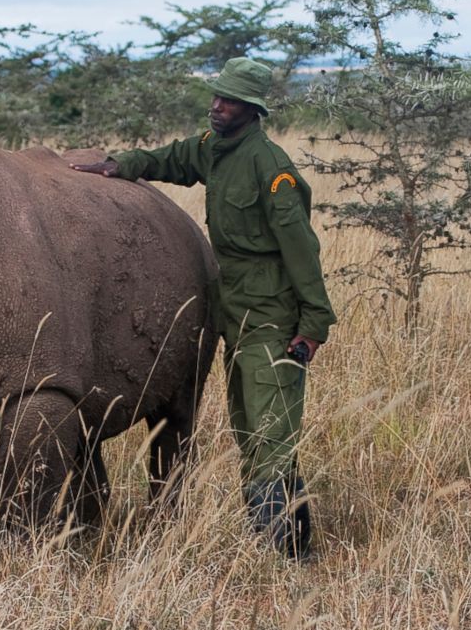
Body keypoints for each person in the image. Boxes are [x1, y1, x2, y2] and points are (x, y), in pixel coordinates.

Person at [70, 57, 336, 559]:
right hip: (231, 306)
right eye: (216, 96)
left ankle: (284, 551)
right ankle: (287, 543)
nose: (217, 106)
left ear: (252, 110)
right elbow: (171, 159)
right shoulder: (215, 149)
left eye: (230, 100)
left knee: (269, 428)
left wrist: (313, 321)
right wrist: (118, 165)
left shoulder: (271, 169)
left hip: (270, 311)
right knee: (248, 423)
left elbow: (303, 251)